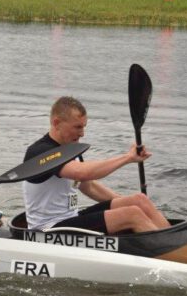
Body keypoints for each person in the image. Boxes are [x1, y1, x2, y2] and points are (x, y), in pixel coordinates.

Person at [22, 96, 169, 234]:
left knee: (139, 201)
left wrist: (124, 202)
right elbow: (82, 173)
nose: (82, 134)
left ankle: (178, 242)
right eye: (77, 127)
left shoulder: (70, 148)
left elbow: (88, 186)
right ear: (56, 123)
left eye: (84, 127)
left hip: (71, 217)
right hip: (48, 229)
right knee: (132, 215)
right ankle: (171, 254)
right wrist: (128, 158)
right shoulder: (40, 152)